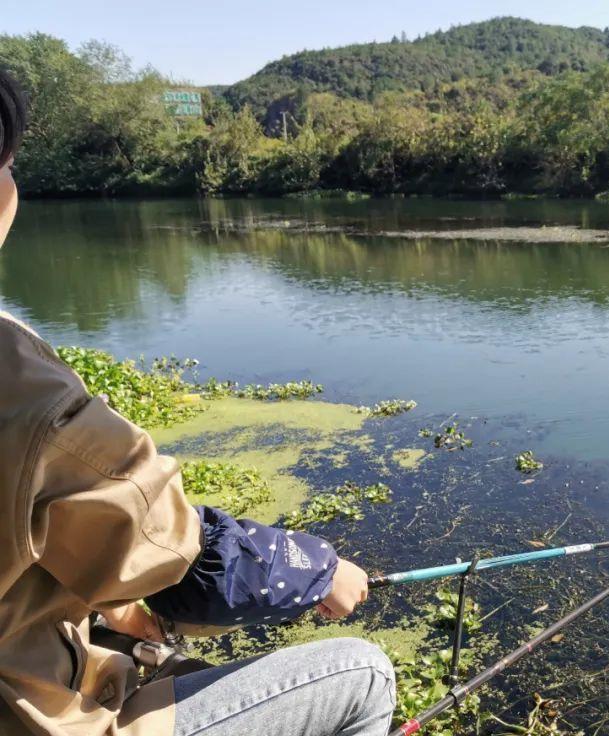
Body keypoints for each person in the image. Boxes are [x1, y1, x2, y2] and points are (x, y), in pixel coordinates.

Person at [0, 68, 396, 736]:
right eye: (8, 165)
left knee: (138, 641)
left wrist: (118, 606)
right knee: (364, 674)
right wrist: (321, 572)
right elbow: (182, 560)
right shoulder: (15, 376)